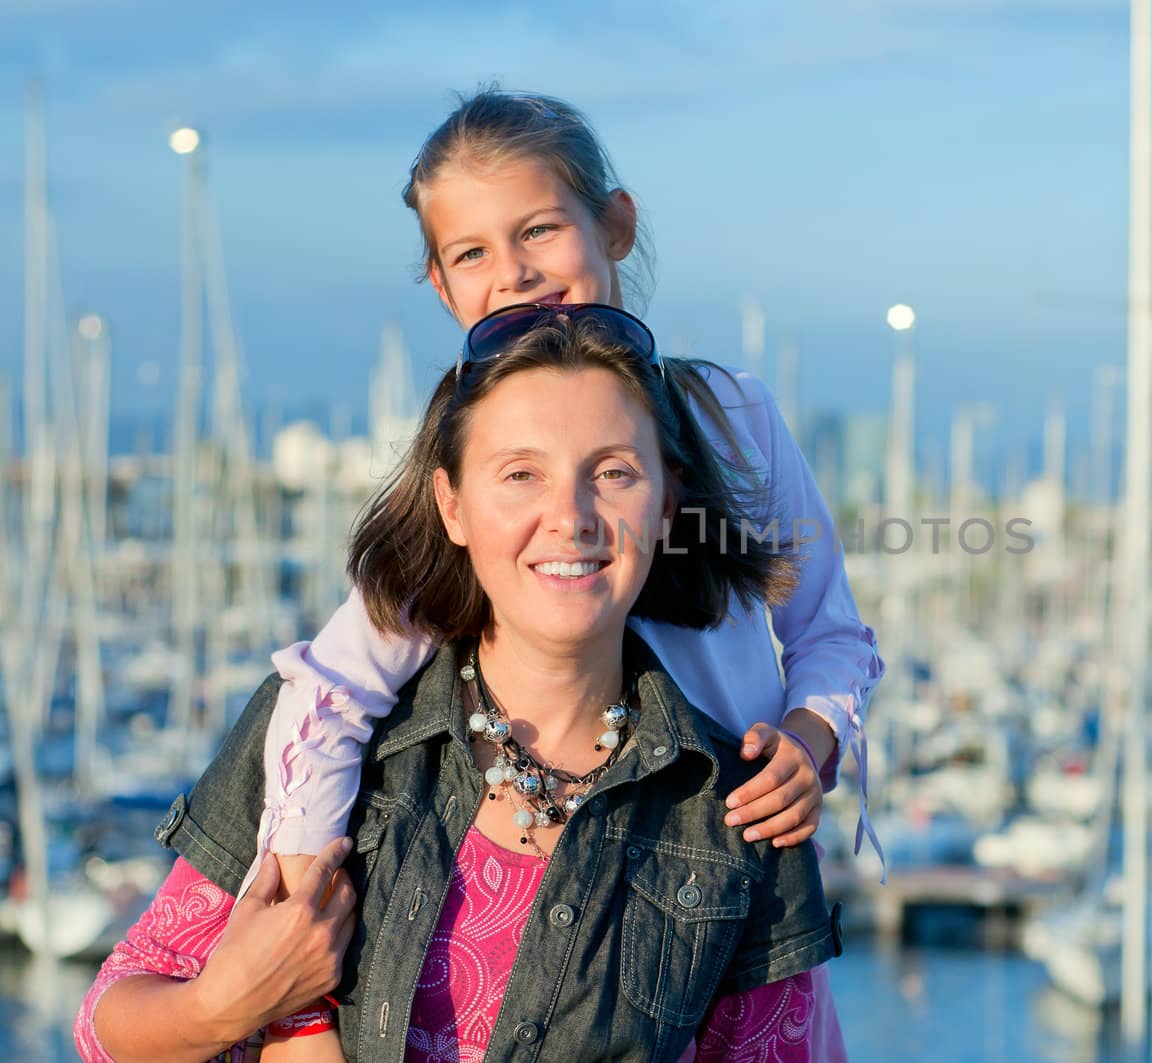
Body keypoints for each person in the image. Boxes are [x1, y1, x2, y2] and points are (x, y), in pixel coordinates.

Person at [249, 90, 882, 1057]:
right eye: (472, 254)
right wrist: (300, 878)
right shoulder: (471, 460)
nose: (514, 274)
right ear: (440, 285)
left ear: (615, 225)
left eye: (539, 229)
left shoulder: (731, 419)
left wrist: (810, 736)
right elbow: (337, 684)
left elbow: (830, 631)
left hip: (725, 879)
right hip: (540, 883)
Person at [77, 305, 848, 1061]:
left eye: (613, 472)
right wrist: (229, 1004)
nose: (570, 515)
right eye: (520, 474)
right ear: (453, 505)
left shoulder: (746, 817)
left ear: (667, 507)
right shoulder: (322, 740)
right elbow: (106, 1027)